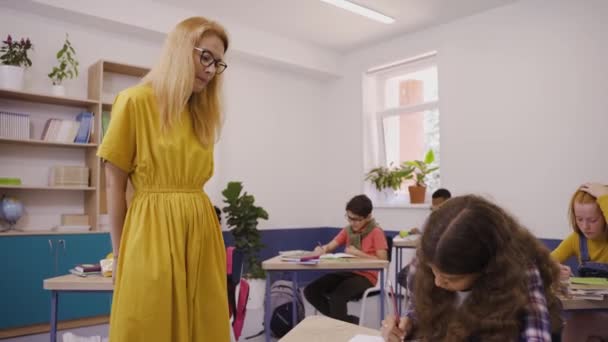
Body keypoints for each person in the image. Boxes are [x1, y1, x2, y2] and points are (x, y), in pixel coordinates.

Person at [98, 16, 230, 341]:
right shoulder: (134, 102)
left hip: (200, 233)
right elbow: (114, 189)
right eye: (206, 57)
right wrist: (120, 256)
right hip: (152, 234)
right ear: (181, 50)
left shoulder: (201, 115)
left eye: (218, 63)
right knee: (149, 322)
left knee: (203, 324)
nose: (211, 69)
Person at [382, 195, 562, 341]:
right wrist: (408, 324)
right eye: (432, 270)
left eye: (450, 278)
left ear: (486, 268)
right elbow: (418, 309)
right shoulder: (426, 259)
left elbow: (536, 336)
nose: (437, 282)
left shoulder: (521, 273)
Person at [303, 194, 388, 324]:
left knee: (337, 297)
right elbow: (331, 246)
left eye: (357, 219)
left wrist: (358, 253)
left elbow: (383, 260)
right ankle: (348, 322)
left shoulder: (376, 232)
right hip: (349, 272)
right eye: (349, 218)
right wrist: (321, 250)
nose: (352, 222)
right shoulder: (348, 230)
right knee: (311, 290)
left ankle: (341, 329)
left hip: (367, 277)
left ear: (368, 217)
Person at [551, 182, 608, 342]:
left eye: (593, 220)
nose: (585, 226)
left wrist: (604, 196)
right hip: (585, 315)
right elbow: (546, 261)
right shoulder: (576, 239)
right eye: (579, 219)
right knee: (571, 328)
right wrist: (554, 268)